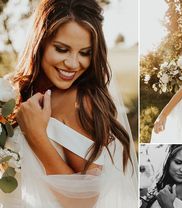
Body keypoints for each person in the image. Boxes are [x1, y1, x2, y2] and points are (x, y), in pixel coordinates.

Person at [0, 0, 137, 207]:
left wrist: (37, 136)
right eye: (62, 49)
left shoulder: (80, 102)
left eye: (85, 53)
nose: (73, 64)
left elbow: (84, 202)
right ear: (40, 42)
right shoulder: (9, 92)